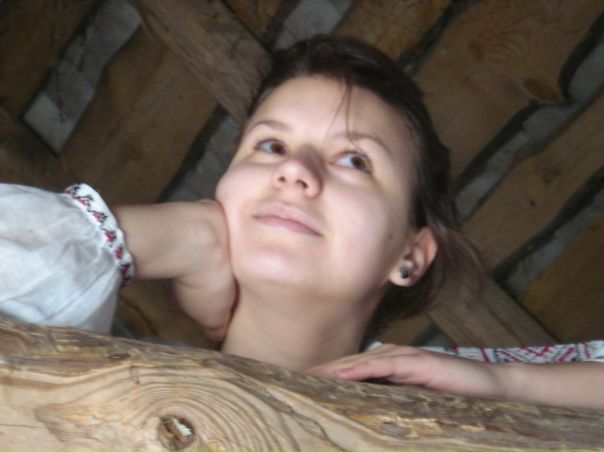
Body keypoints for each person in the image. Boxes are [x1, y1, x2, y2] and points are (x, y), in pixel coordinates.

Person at [1, 35, 602, 409]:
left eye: (355, 160)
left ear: (410, 255)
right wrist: (147, 236)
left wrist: (509, 388)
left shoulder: (468, 401)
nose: (295, 171)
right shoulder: (95, 379)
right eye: (270, 146)